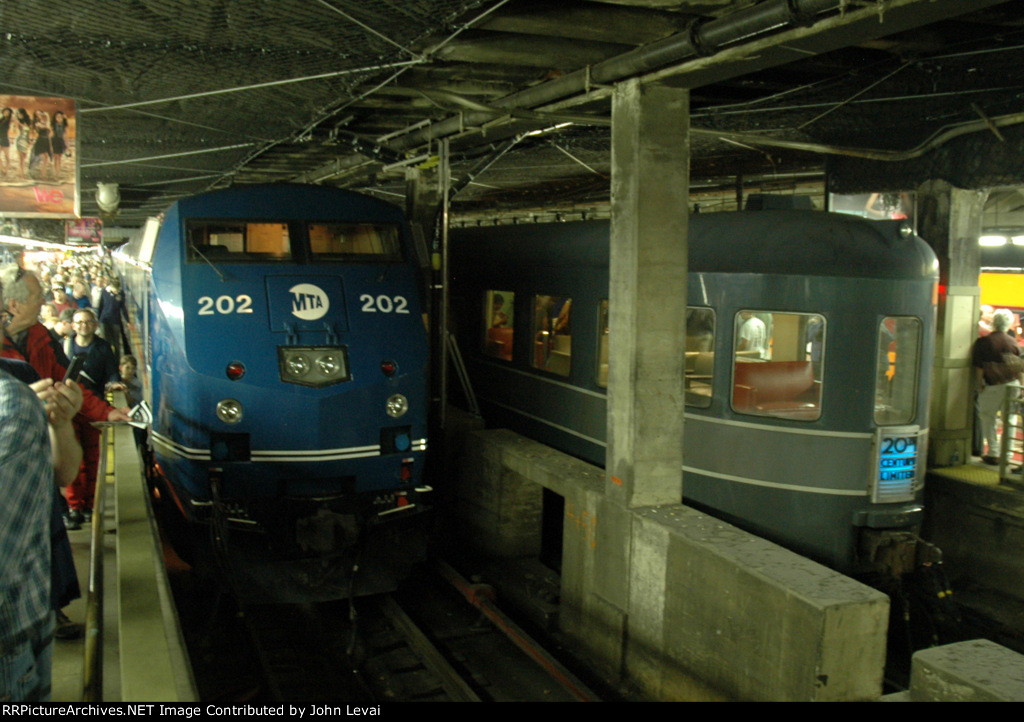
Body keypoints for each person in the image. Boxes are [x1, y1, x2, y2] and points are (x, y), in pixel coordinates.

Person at [0, 271, 83, 702]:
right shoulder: (13, 398)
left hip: (31, 612)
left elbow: (62, 473)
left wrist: (60, 425)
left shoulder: (17, 374)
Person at [0, 264, 130, 530]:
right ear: (15, 305)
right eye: (37, 297)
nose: (43, 302)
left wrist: (106, 412)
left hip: (40, 466)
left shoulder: (41, 338)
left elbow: (70, 383)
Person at [972, 307, 1023, 465]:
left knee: (988, 417)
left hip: (992, 386)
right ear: (1008, 325)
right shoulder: (1012, 342)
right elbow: (1018, 368)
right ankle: (1006, 456)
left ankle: (993, 453)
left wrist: (979, 384)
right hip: (1013, 386)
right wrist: (1021, 385)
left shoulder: (984, 342)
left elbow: (979, 368)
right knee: (1010, 419)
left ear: (993, 323)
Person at [96, 278, 125, 356]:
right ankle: (106, 357)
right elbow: (100, 306)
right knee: (105, 340)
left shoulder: (121, 293)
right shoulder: (105, 292)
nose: (116, 292)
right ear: (111, 287)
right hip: (104, 320)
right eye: (115, 290)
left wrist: (128, 321)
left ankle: (116, 359)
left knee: (116, 342)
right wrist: (98, 320)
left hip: (115, 321)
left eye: (117, 291)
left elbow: (123, 308)